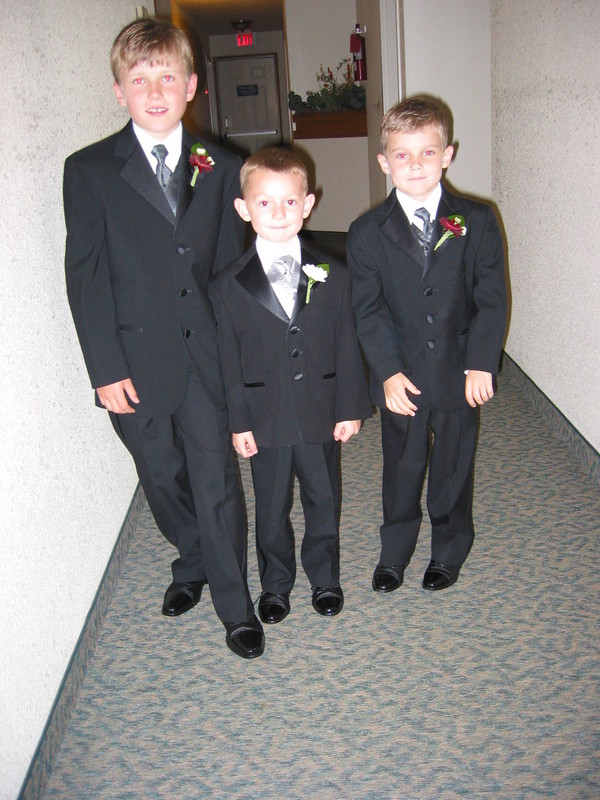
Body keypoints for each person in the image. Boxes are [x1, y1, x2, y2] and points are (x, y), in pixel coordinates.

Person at [63, 18, 264, 659]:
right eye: (140, 79)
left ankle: (235, 605)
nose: (155, 91)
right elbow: (86, 277)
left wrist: (243, 356)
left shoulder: (224, 167)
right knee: (160, 475)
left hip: (205, 357)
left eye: (167, 77)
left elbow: (233, 271)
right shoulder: (90, 170)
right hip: (133, 360)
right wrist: (104, 368)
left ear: (192, 86)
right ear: (118, 90)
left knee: (216, 480)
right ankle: (192, 558)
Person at [347, 97, 507, 594]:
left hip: (460, 372)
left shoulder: (477, 220)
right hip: (403, 376)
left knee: (454, 465)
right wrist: (387, 371)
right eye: (402, 154)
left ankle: (449, 548)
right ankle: (395, 549)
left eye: (427, 152)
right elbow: (368, 309)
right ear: (384, 162)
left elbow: (491, 299)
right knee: (401, 466)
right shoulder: (367, 232)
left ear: (447, 155)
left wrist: (481, 363)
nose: (415, 164)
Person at [209, 148, 371, 625]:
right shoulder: (226, 284)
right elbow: (228, 359)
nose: (278, 213)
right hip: (265, 417)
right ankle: (275, 584)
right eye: (265, 203)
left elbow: (347, 344)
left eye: (289, 202)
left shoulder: (335, 274)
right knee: (271, 504)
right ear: (243, 209)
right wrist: (239, 422)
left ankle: (325, 577)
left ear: (308, 204)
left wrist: (350, 407)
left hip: (321, 411)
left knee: (323, 498)